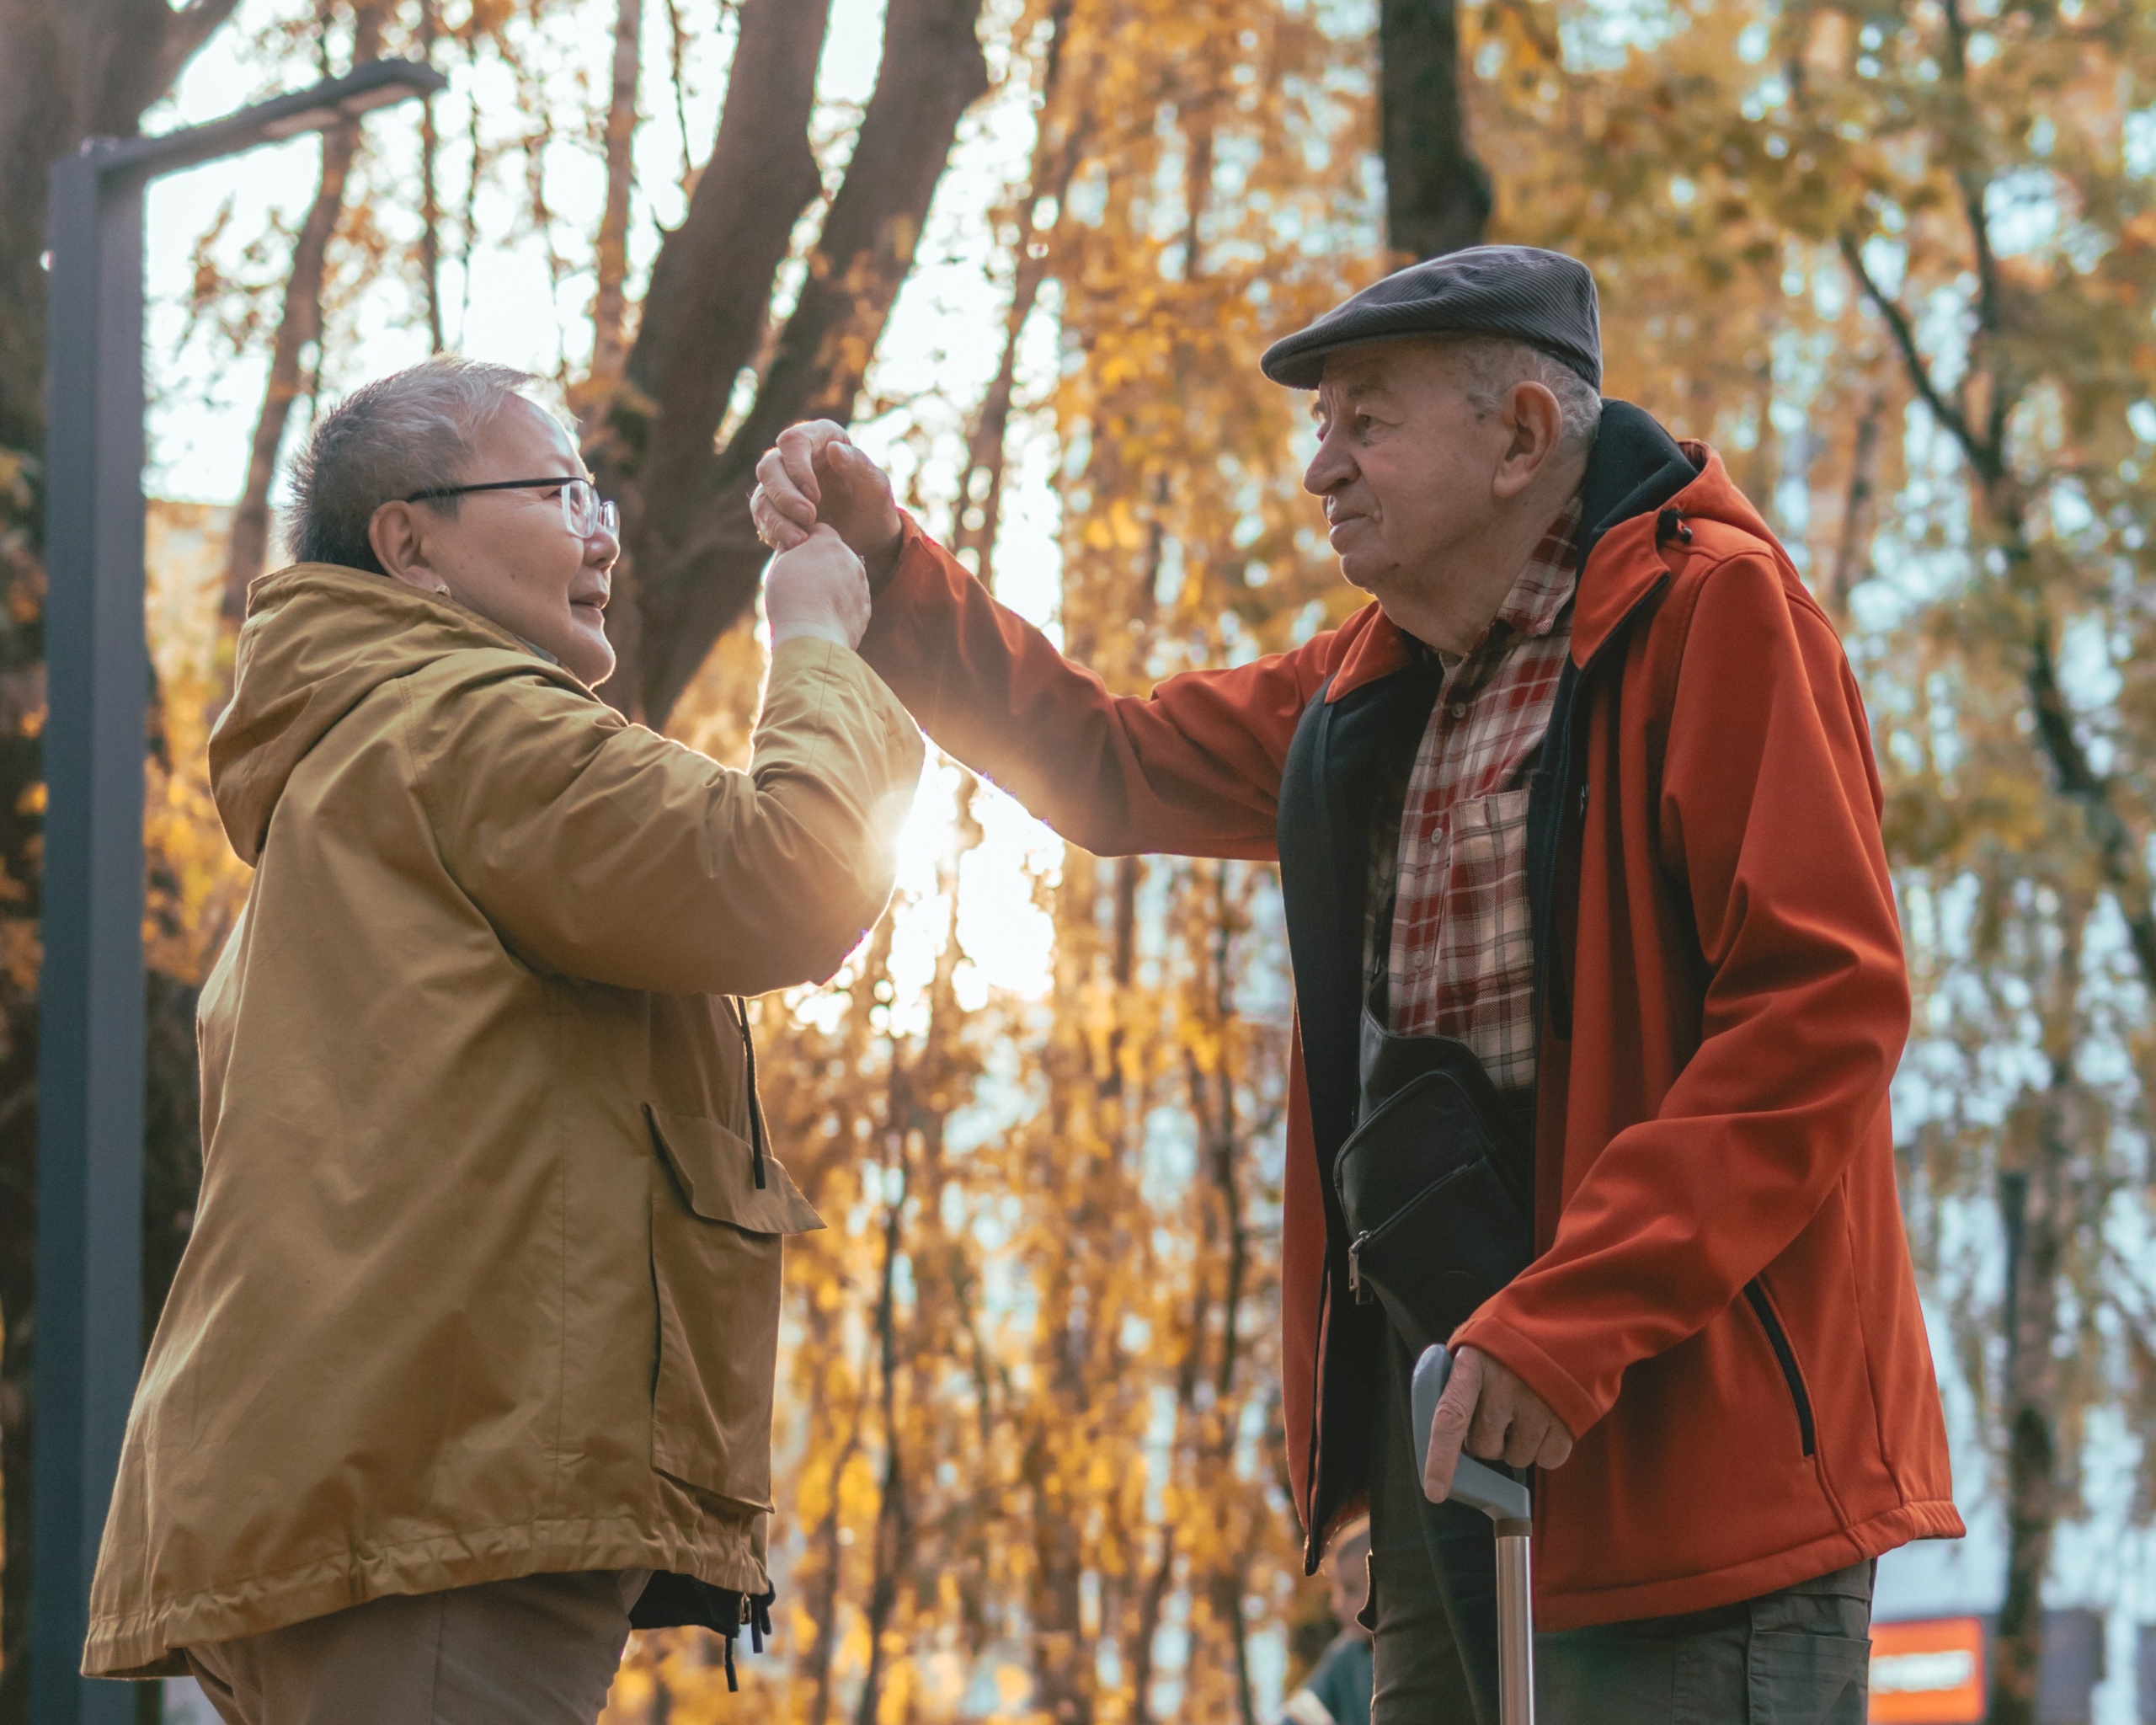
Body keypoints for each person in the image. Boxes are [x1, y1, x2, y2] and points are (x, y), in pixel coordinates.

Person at [751, 246, 1962, 1725]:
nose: (1320, 467)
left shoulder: (1718, 616)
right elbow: (1108, 762)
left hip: (1686, 1465)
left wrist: (1567, 1324)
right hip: (1445, 1438)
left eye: (1365, 422)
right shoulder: (1366, 685)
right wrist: (887, 561)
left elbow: (1818, 1014)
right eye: (1319, 427)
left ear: (1521, 435)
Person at [83, 355, 924, 1724]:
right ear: (409, 543)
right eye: (558, 491)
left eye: (599, 495)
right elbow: (792, 872)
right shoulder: (463, 725)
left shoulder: (356, 763)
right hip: (428, 1505)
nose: (602, 534)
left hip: (358, 1499)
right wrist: (817, 643)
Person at [1281, 1519, 1374, 1725]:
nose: (1336, 1605)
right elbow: (1300, 1713)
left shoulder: (1417, 1653)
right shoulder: (1347, 1655)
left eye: (1351, 1589)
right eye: (1336, 1590)